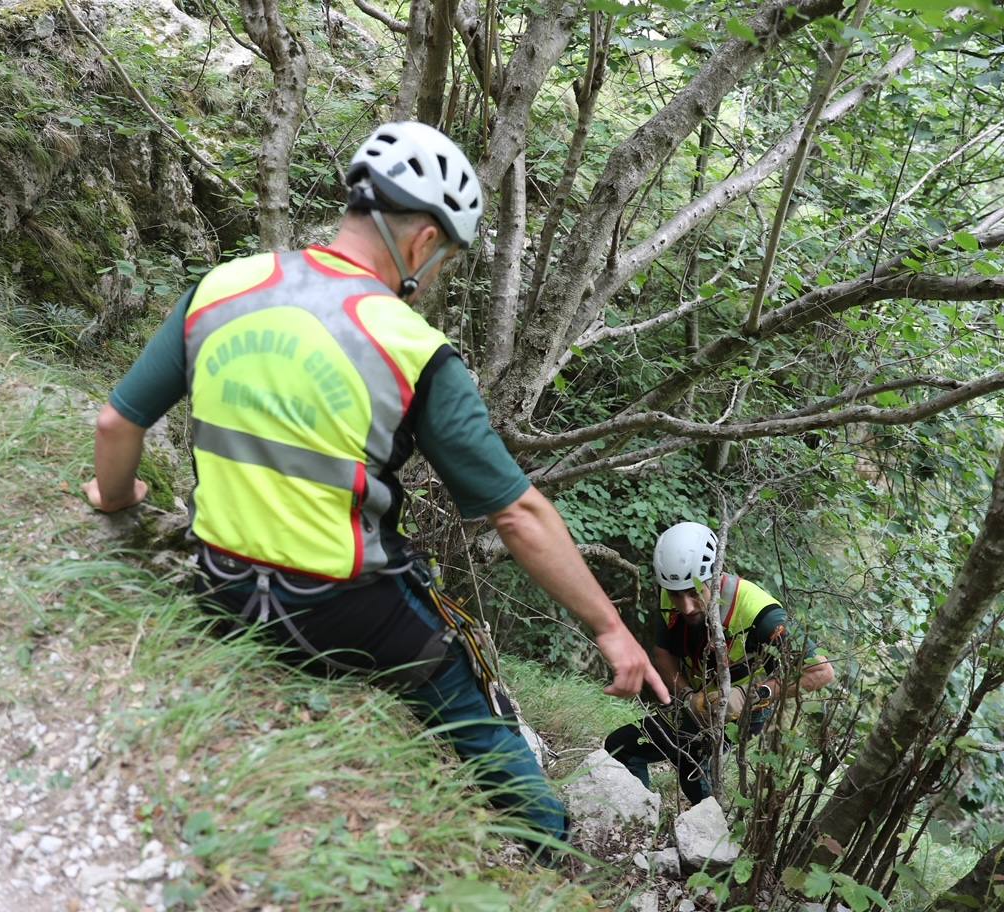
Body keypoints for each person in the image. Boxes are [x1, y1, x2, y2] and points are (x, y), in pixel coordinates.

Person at [81, 121, 669, 848]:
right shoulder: (413, 348)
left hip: (223, 586)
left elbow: (116, 424)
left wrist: (116, 502)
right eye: (447, 256)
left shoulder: (222, 287)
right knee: (468, 684)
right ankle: (549, 846)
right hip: (348, 612)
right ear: (423, 241)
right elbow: (518, 514)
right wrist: (613, 631)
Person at [604, 522, 834, 805]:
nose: (685, 606)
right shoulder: (670, 593)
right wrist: (687, 695)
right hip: (699, 698)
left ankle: (712, 836)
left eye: (694, 592)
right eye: (677, 594)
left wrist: (752, 694)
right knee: (622, 746)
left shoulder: (759, 610)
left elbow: (821, 671)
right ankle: (638, 816)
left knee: (691, 761)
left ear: (716, 576)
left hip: (748, 703)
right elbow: (663, 653)